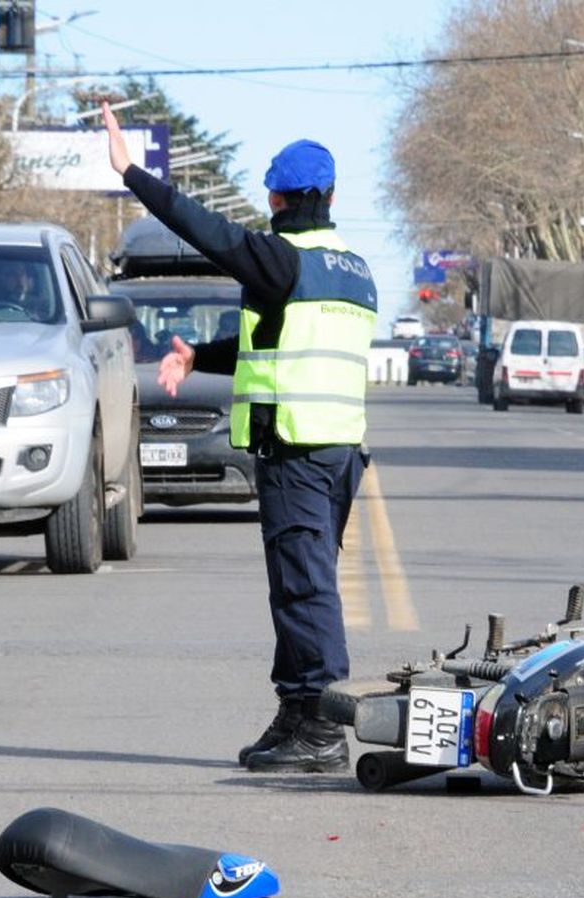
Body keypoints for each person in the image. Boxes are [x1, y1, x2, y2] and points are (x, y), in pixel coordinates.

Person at [103, 103, 377, 773]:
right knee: (298, 584)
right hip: (339, 450)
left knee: (305, 587)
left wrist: (132, 172)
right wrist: (199, 355)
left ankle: (321, 725)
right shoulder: (353, 268)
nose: (268, 206)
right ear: (333, 197)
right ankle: (296, 711)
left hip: (297, 449)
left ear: (284, 198)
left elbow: (209, 231)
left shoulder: (281, 257)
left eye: (271, 195)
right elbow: (273, 344)